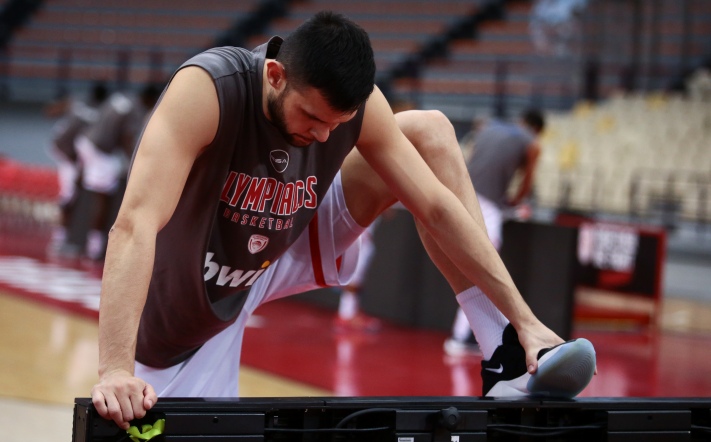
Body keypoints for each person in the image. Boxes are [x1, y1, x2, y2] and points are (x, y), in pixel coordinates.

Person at [90, 12, 596, 430]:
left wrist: (525, 321)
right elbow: (133, 225)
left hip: (279, 249)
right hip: (189, 294)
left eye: (337, 124)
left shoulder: (352, 111)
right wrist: (114, 369)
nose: (322, 135)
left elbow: (438, 208)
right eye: (312, 117)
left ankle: (501, 352)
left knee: (430, 130)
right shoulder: (208, 89)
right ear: (275, 76)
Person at [444, 109, 545, 357]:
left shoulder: (488, 127)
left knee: (469, 267)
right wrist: (514, 202)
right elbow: (527, 182)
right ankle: (462, 338)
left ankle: (470, 337)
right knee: (485, 271)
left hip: (458, 194)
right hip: (487, 207)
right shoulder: (532, 143)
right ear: (537, 130)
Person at [45, 81, 109, 254]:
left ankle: (68, 239)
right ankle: (60, 239)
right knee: (68, 197)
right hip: (70, 156)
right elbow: (63, 139)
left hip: (71, 154)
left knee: (73, 196)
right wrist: (76, 163)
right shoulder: (90, 113)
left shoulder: (80, 107)